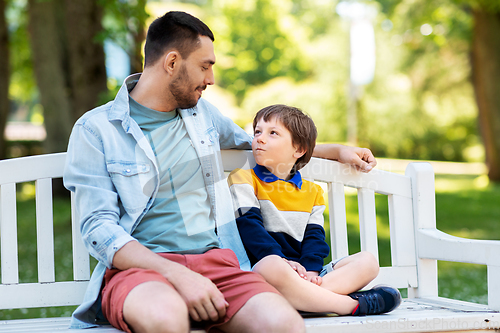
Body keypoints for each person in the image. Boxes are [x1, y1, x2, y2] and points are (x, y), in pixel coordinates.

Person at [63, 11, 378, 333]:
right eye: (205, 66)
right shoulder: (97, 129)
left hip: (219, 265)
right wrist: (177, 274)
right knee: (166, 320)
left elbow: (251, 145)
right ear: (171, 63)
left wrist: (334, 150)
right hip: (143, 271)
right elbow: (97, 228)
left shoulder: (202, 115)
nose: (211, 79)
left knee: (284, 325)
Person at [227, 104, 401, 316]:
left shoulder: (313, 192)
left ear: (299, 150)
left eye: (273, 133)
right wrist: (284, 262)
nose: (260, 138)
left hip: (307, 275)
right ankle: (348, 304)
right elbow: (249, 226)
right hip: (267, 270)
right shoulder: (243, 178)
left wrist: (310, 271)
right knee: (271, 265)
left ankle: (304, 300)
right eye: (257, 132)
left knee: (368, 262)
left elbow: (314, 238)